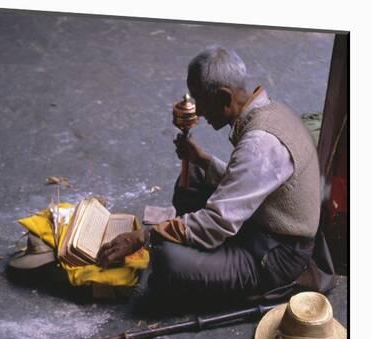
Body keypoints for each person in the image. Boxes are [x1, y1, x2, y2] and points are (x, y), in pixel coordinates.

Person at [96, 46, 327, 307]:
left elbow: (218, 224)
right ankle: (194, 244)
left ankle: (208, 259)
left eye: (201, 101)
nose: (199, 112)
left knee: (167, 261)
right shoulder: (271, 110)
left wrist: (144, 237)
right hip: (260, 220)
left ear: (224, 97)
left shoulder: (260, 144)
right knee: (197, 171)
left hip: (276, 253)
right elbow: (247, 183)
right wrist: (202, 160)